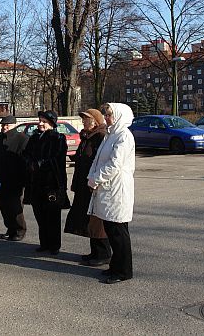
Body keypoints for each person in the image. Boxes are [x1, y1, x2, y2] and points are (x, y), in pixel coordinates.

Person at [88, 103, 136, 284]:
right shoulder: (110, 135)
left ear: (119, 116)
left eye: (109, 115)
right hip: (106, 187)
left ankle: (124, 271)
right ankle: (115, 266)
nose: (106, 117)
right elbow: (98, 160)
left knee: (118, 231)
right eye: (105, 114)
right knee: (111, 228)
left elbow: (114, 165)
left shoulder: (124, 136)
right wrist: (91, 177)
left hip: (117, 188)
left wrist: (96, 179)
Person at [64, 108, 111, 266]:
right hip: (84, 184)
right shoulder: (86, 137)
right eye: (83, 119)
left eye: (87, 119)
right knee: (88, 220)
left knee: (98, 221)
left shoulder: (101, 137)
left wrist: (96, 181)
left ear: (96, 121)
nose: (83, 121)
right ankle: (95, 251)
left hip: (95, 186)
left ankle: (103, 253)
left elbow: (102, 162)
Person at [22, 110, 68, 255]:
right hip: (36, 182)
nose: (40, 124)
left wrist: (40, 164)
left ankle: (54, 245)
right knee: (39, 213)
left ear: (51, 124)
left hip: (51, 183)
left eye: (44, 121)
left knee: (52, 215)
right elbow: (26, 153)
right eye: (40, 120)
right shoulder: (34, 138)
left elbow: (57, 158)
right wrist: (29, 163)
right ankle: (44, 242)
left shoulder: (58, 138)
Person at [0, 114, 29, 241]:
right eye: (3, 125)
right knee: (3, 205)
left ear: (14, 125)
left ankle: (20, 230)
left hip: (15, 178)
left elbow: (24, 160)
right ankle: (10, 229)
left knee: (15, 206)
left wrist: (23, 178)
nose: (5, 127)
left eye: (7, 125)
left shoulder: (22, 138)